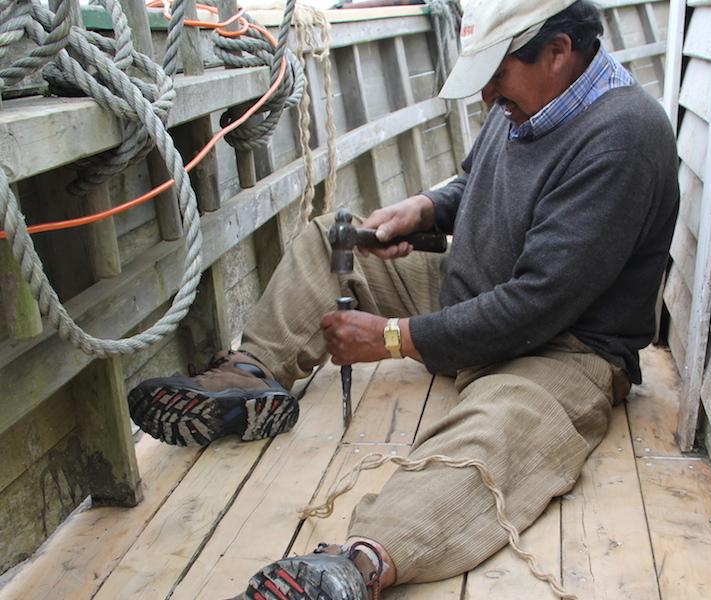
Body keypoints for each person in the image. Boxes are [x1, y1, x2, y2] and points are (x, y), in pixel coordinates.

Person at [128, 0, 679, 597]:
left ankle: (356, 565)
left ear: (558, 51)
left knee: (496, 431)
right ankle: (251, 375)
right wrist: (424, 209)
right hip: (476, 291)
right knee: (332, 241)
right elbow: (474, 184)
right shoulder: (526, 100)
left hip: (561, 347)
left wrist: (392, 338)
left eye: (496, 77)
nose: (488, 96)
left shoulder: (624, 137)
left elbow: (537, 304)